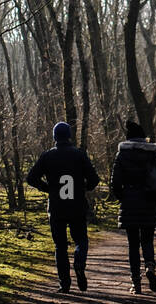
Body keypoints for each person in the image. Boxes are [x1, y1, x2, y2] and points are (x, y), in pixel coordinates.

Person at [26, 121, 100, 293]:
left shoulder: (47, 156)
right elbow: (94, 180)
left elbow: (31, 178)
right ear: (69, 136)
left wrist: (48, 189)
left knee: (60, 246)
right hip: (77, 206)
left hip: (57, 207)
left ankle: (64, 284)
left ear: (54, 137)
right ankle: (80, 262)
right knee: (81, 239)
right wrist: (83, 189)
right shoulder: (79, 155)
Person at [110, 120, 156, 294]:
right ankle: (150, 266)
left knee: (133, 244)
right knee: (148, 240)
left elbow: (115, 183)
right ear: (143, 138)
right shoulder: (152, 155)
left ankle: (136, 283)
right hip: (149, 202)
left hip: (130, 203)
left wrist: (123, 197)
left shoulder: (122, 155)